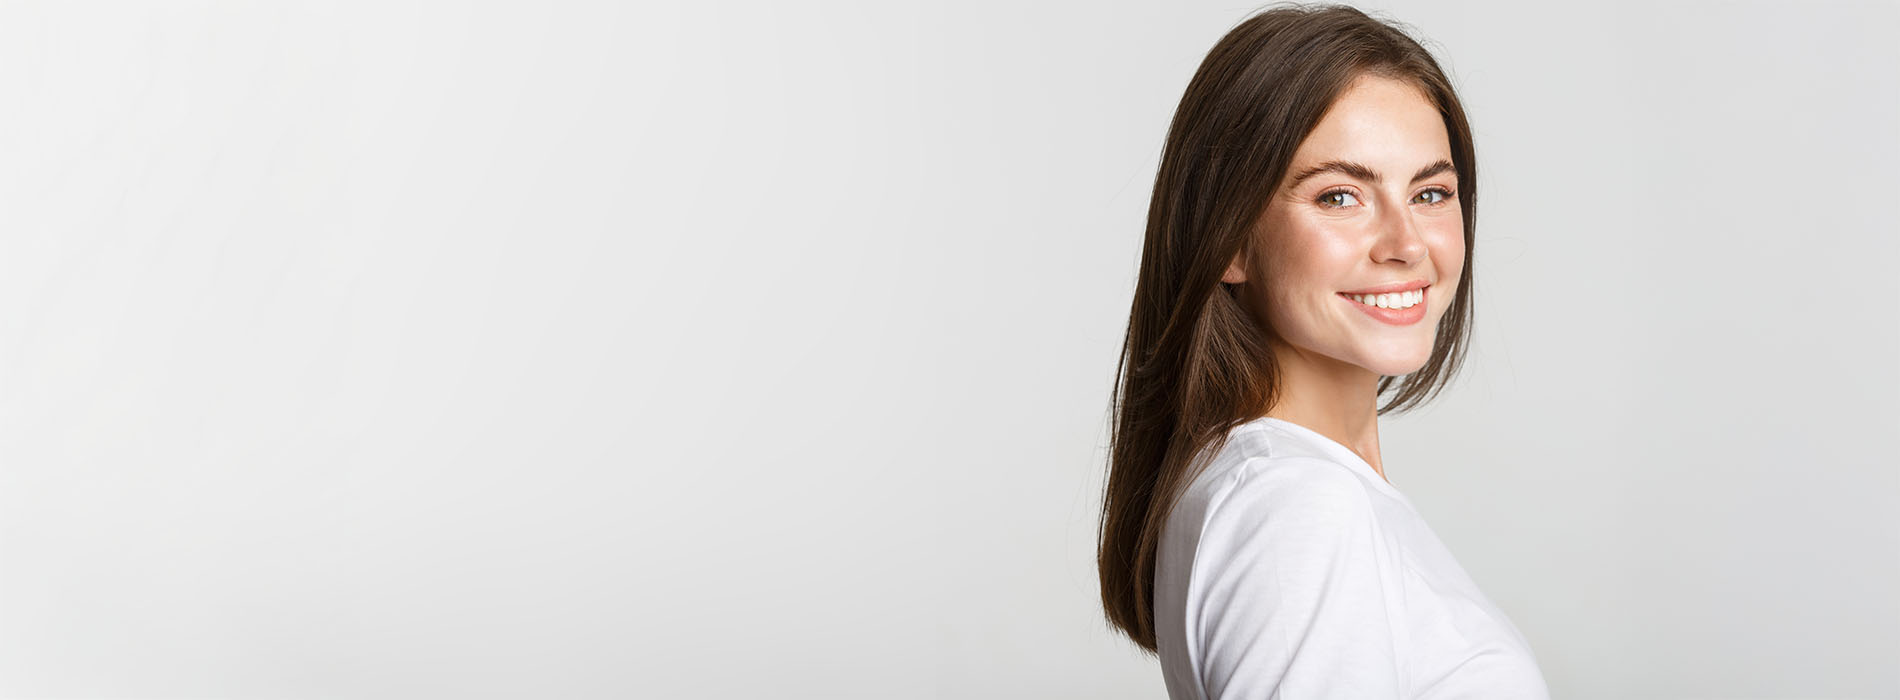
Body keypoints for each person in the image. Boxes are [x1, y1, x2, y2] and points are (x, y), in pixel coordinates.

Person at [1094, 4, 1552, 698]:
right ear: (1231, 239)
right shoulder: (1299, 507)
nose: (1406, 243)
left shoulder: (1288, 486)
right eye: (1340, 196)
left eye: (1431, 192)